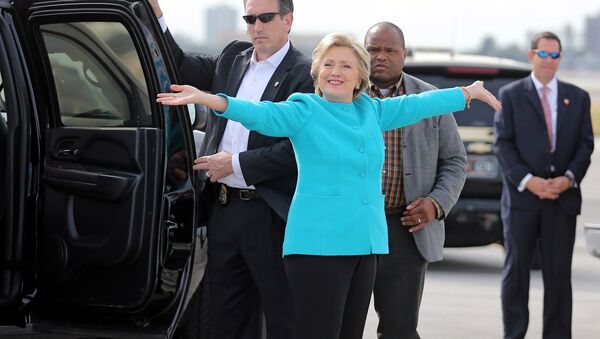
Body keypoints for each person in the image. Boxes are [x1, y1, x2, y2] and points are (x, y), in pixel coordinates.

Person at [158, 32, 500, 339]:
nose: (336, 71)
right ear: (318, 73)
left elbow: (417, 105)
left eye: (346, 66)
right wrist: (207, 98)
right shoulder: (305, 109)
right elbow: (258, 112)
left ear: (359, 77)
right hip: (318, 248)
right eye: (329, 64)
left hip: (365, 245)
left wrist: (466, 93)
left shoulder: (370, 109)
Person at [148, 1, 313, 338]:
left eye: (266, 18)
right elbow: (177, 64)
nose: (256, 26)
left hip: (270, 213)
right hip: (224, 208)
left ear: (288, 20)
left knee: (284, 319)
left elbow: (299, 149)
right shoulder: (233, 57)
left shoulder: (305, 74)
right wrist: (156, 15)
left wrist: (235, 163)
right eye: (250, 18)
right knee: (226, 316)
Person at [364, 22, 467, 339]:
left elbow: (455, 160)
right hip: (351, 226)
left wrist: (436, 204)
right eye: (373, 49)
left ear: (403, 54)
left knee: (400, 328)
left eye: (389, 50)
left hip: (405, 230)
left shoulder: (430, 100)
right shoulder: (341, 96)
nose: (381, 56)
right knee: (340, 324)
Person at [493, 31, 594, 339]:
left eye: (555, 55)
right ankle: (515, 333)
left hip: (562, 200)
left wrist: (568, 179)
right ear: (532, 55)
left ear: (560, 58)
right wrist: (530, 181)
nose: (549, 61)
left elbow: (585, 146)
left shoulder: (577, 97)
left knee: (559, 275)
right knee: (517, 272)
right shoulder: (510, 95)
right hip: (523, 199)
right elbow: (503, 145)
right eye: (543, 54)